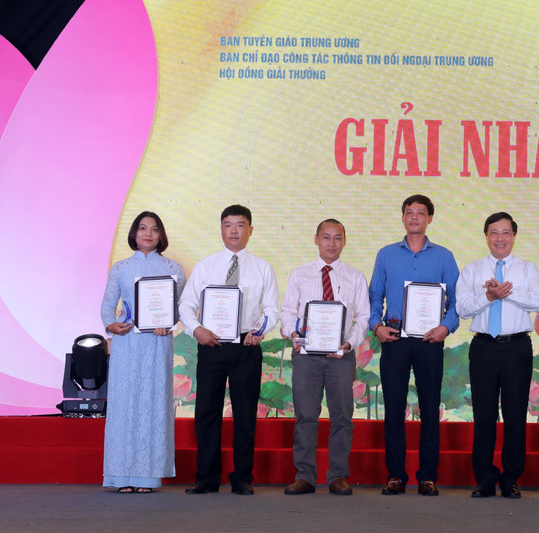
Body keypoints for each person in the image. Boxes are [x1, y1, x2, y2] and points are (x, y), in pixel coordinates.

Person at [179, 204, 280, 495]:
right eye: (228, 225)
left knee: (245, 414)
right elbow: (186, 305)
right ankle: (206, 478)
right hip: (211, 346)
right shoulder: (206, 266)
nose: (234, 231)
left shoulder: (262, 267)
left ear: (250, 230)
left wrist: (259, 331)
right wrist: (196, 329)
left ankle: (242, 478)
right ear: (221, 228)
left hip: (246, 346)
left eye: (240, 225)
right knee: (206, 413)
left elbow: (271, 309)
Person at [369, 194, 460, 496]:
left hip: (429, 340)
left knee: (430, 408)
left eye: (421, 213)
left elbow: (456, 302)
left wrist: (446, 327)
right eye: (409, 212)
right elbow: (374, 296)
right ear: (403, 217)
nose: (415, 217)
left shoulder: (444, 256)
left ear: (430, 219)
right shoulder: (386, 254)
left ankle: (427, 477)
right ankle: (396, 475)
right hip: (394, 338)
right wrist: (376, 326)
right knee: (394, 408)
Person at [456, 212, 539, 499]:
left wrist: (507, 294)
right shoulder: (472, 270)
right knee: (483, 415)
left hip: (516, 347)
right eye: (494, 232)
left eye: (506, 232)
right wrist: (489, 297)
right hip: (483, 347)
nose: (500, 238)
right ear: (486, 236)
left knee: (515, 414)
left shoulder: (527, 269)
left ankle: (510, 478)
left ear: (514, 236)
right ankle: (485, 477)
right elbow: (462, 309)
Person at [281, 219, 369, 496]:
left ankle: (338, 476)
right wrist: (294, 335)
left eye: (338, 238)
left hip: (341, 356)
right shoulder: (300, 274)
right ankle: (305, 475)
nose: (332, 243)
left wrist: (348, 343)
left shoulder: (355, 276)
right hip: (306, 356)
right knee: (306, 416)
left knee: (342, 416)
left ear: (344, 241)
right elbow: (287, 313)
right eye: (326, 237)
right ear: (316, 239)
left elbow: (363, 317)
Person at [100, 211, 186, 493]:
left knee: (153, 405)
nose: (148, 233)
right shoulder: (120, 268)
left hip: (157, 344)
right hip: (127, 343)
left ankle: (147, 477)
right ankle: (120, 476)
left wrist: (169, 324)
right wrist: (111, 324)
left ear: (161, 235)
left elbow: (181, 308)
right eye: (142, 228)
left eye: (154, 229)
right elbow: (107, 304)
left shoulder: (174, 268)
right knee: (124, 405)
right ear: (134, 234)